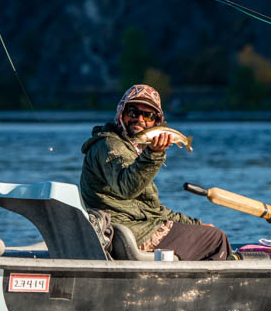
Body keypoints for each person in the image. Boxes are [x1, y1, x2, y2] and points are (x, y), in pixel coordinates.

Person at [80, 84, 231, 260]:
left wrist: (196, 224)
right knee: (216, 238)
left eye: (148, 115)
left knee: (208, 231)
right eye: (133, 112)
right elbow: (126, 188)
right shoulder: (109, 146)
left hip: (135, 229)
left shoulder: (132, 151)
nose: (140, 119)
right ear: (121, 113)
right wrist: (153, 154)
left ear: (156, 122)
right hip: (128, 234)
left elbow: (153, 209)